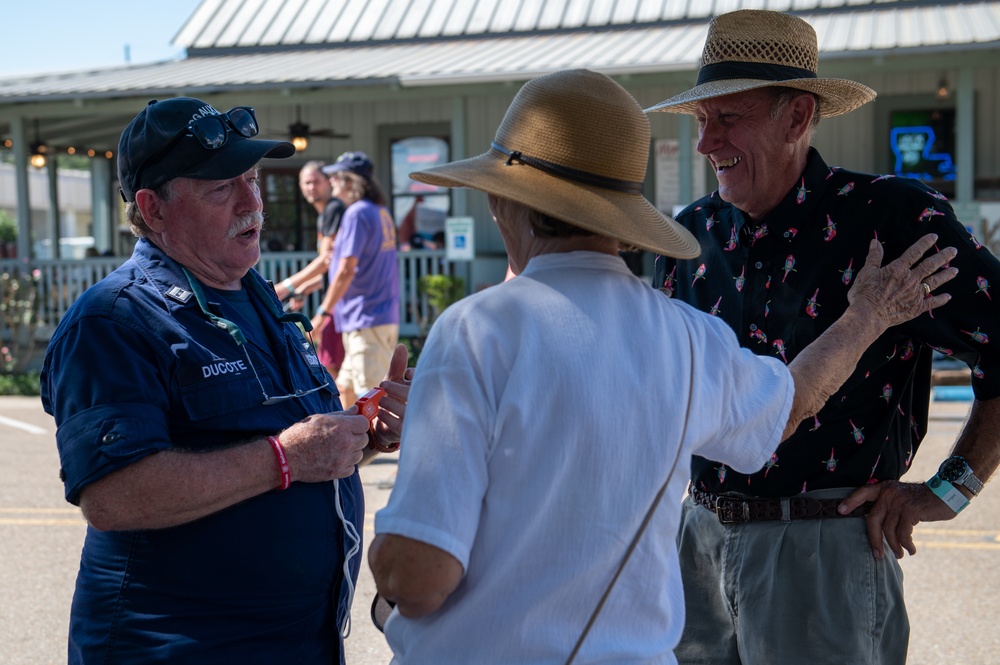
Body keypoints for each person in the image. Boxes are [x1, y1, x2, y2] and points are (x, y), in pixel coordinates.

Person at [367, 69, 955, 664]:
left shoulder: (472, 333)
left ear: (505, 201)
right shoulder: (689, 337)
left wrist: (421, 454)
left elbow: (417, 578)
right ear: (620, 218)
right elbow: (790, 404)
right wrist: (867, 317)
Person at [646, 10, 1000, 664]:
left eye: (727, 118)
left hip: (821, 548)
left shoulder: (890, 219)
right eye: (700, 121)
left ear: (798, 117)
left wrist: (949, 490)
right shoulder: (686, 235)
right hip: (693, 546)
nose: (705, 143)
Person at [40, 97, 412, 664]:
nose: (252, 203)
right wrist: (286, 457)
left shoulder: (255, 295)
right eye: (221, 188)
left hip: (295, 645)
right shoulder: (115, 318)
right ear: (153, 207)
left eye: (254, 179)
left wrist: (361, 430)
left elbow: (287, 447)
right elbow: (113, 496)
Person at [312, 151, 400, 408]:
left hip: (366, 319)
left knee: (369, 396)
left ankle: (383, 449)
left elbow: (346, 270)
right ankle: (351, 449)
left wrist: (323, 314)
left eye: (336, 178)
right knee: (345, 390)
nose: (331, 183)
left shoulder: (356, 213)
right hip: (376, 317)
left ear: (350, 181)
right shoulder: (380, 211)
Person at [275, 160, 347, 376]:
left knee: (336, 370)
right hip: (336, 299)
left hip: (341, 302)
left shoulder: (334, 209)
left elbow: (326, 260)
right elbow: (333, 267)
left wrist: (285, 287)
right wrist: (305, 288)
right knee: (336, 370)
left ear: (328, 183)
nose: (311, 187)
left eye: (316, 182)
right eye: (306, 183)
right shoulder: (326, 214)